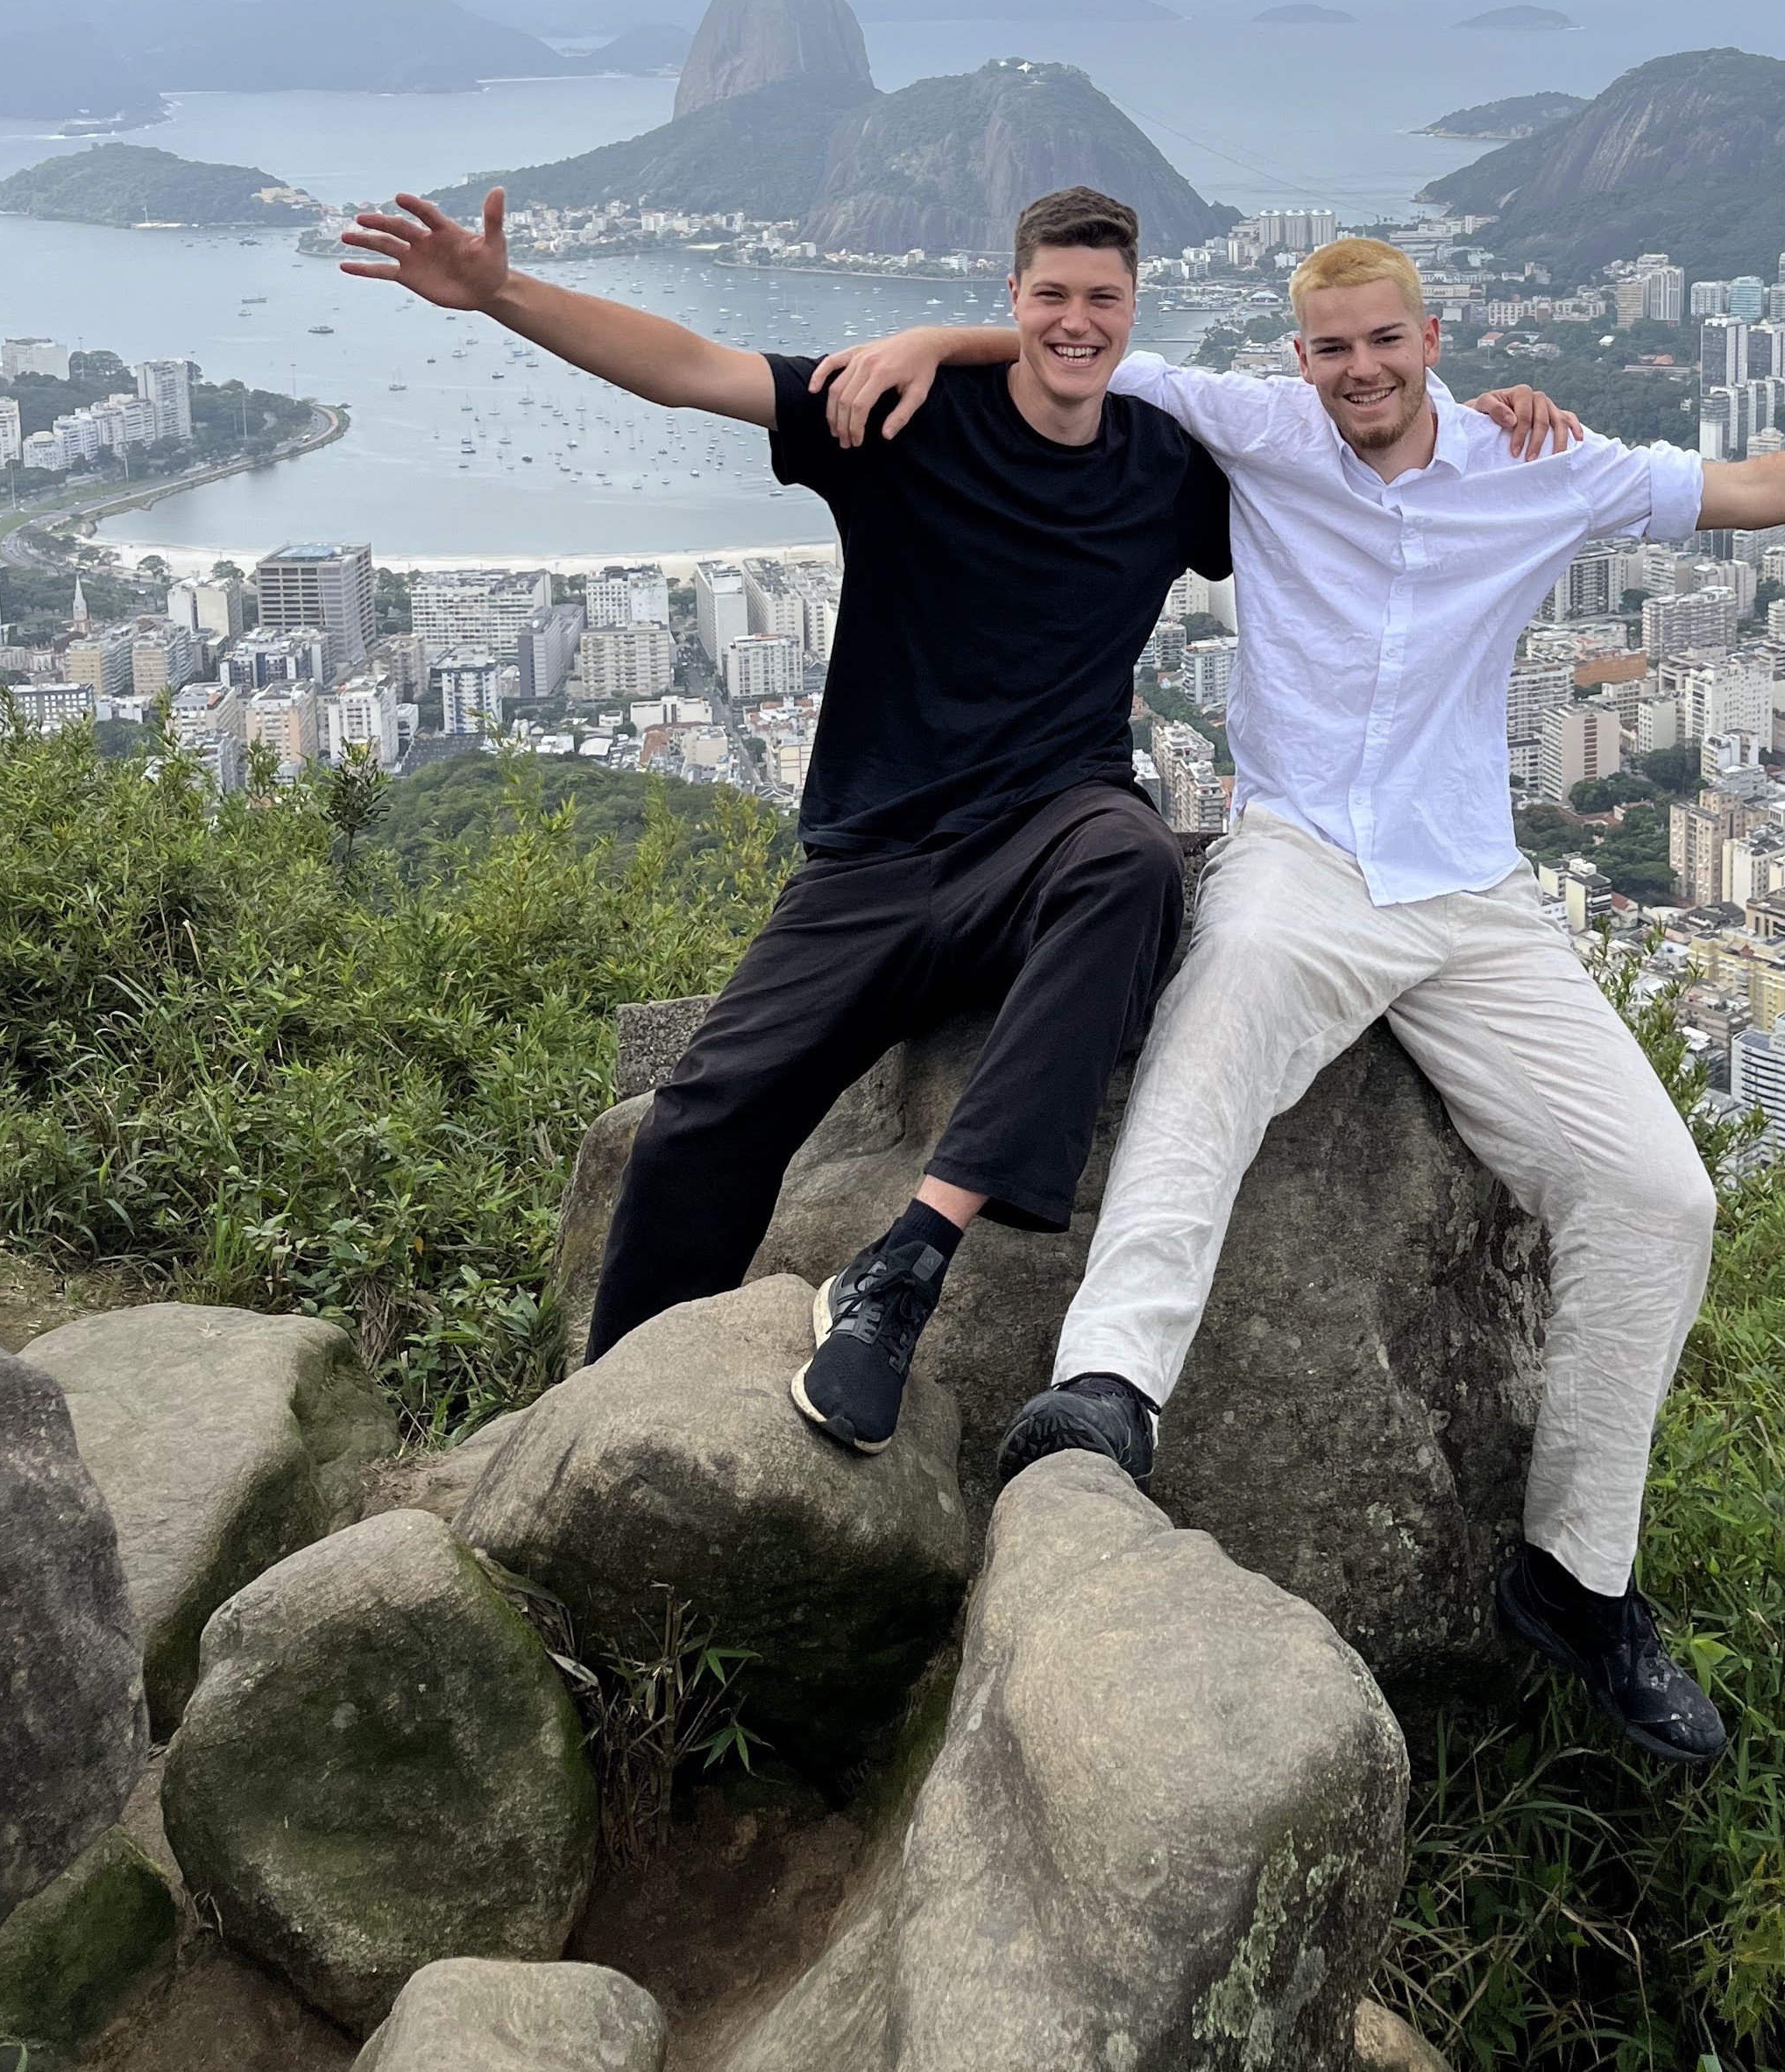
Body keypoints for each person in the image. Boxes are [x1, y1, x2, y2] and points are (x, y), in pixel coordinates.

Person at [811, 241, 1785, 1762]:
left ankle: (1578, 1576)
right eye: (1331, 351)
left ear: (1432, 338)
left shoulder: (1534, 461)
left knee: (1657, 1195)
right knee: (1214, 1029)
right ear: (1296, 358)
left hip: (1472, 895)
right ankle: (1108, 1387)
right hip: (1301, 857)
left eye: (1384, 343)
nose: (1359, 371)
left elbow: (1751, 487)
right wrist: (927, 334)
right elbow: (1070, 348)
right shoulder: (1252, 424)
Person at [338, 187, 1578, 1456]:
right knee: (696, 1124)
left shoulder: (1167, 461)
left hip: (1051, 827)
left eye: (1103, 300)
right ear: (1014, 301)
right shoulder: (904, 414)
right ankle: (599, 1433)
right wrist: (501, 292)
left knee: (1137, 863)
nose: (1077, 322)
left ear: (1134, 311)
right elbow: (691, 370)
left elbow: (1353, 457)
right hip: (875, 853)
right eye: (1051, 297)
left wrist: (1474, 423)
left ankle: (905, 1267)